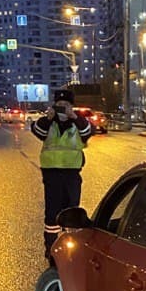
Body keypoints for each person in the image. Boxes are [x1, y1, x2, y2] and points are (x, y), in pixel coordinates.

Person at [30, 89, 92, 261]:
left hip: (72, 173)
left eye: (66, 105)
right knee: (52, 213)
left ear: (71, 106)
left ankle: (70, 249)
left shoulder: (77, 122)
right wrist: (48, 118)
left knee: (72, 211)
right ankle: (51, 250)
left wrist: (75, 117)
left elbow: (88, 132)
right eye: (59, 105)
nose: (62, 109)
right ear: (54, 105)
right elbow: (37, 131)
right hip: (52, 174)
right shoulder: (49, 122)